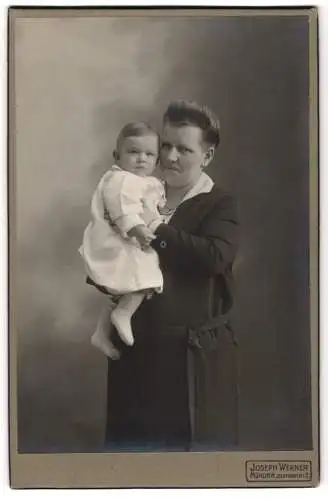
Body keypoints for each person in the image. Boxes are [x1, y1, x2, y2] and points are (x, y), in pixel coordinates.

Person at [104, 100, 240, 451]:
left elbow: (213, 257)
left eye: (184, 149)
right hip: (135, 353)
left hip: (188, 360)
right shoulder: (141, 190)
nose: (170, 156)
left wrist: (157, 227)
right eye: (166, 145)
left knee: (186, 460)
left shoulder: (219, 203)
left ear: (207, 156)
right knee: (129, 457)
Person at [79, 122, 165, 360]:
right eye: (133, 152)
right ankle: (123, 314)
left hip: (124, 239)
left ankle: (101, 332)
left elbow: (151, 207)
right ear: (117, 156)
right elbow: (122, 209)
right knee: (146, 274)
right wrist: (137, 229)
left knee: (125, 285)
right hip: (118, 239)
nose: (141, 159)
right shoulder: (121, 180)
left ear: (157, 160)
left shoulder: (144, 182)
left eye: (149, 154)